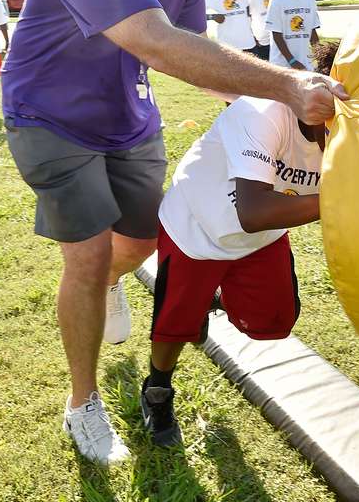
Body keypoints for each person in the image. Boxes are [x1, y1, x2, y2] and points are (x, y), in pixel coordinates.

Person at [0, 0, 343, 465]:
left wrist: (289, 88)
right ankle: (83, 403)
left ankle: (104, 286)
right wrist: (285, 86)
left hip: (127, 112)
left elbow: (194, 48)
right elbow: (152, 39)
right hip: (48, 113)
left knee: (136, 245)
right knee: (90, 254)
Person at [142, 42, 337, 446]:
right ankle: (157, 390)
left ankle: (212, 296)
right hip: (199, 226)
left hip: (262, 234)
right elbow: (252, 210)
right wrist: (352, 198)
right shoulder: (263, 110)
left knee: (274, 323)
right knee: (175, 326)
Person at [265, 0, 321, 70]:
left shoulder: (310, 0)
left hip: (306, 64)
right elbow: (277, 35)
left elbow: (312, 32)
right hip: (283, 66)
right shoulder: (277, 0)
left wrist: (320, 56)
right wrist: (292, 61)